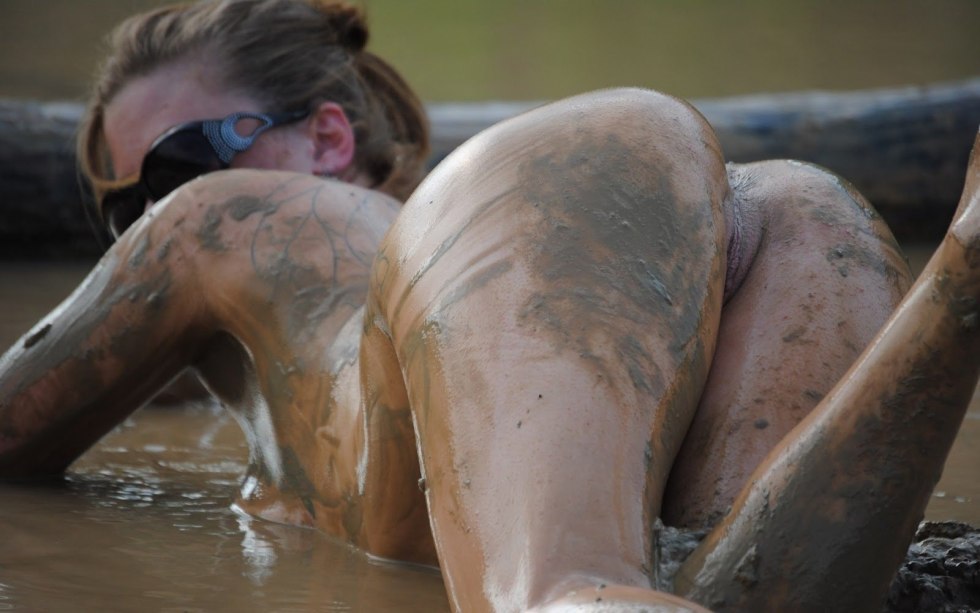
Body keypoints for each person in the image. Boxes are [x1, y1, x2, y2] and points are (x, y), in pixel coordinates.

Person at [0, 0, 977, 610]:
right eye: (118, 210)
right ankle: (955, 286)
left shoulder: (211, 221)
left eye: (175, 166)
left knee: (560, 593)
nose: (142, 219)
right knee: (751, 588)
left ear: (328, 138)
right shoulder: (316, 317)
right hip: (805, 216)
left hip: (556, 180)